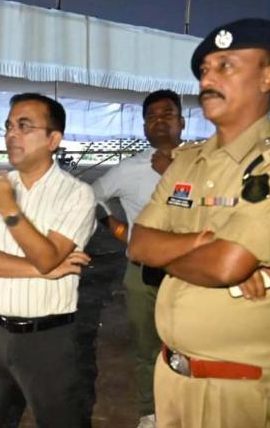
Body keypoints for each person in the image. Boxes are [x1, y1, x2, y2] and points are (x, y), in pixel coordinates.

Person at [128, 18, 270, 427]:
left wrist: (177, 254)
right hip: (172, 376)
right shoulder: (187, 160)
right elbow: (139, 243)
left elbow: (225, 265)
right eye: (204, 70)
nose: (208, 79)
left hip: (237, 390)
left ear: (269, 76)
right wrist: (203, 246)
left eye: (226, 66)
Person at [0, 93, 97, 428]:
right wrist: (40, 273)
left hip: (46, 338)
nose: (11, 134)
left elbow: (47, 256)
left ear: (53, 139)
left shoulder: (77, 194)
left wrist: (8, 208)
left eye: (24, 126)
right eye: (8, 126)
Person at [91, 89, 185, 428]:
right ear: (144, 126)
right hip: (142, 274)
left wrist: (172, 172)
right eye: (152, 116)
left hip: (192, 273)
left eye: (167, 114)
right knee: (148, 349)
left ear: (182, 122)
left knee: (191, 347)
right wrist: (116, 228)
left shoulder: (202, 164)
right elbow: (90, 196)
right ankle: (150, 410)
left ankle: (186, 410)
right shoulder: (129, 169)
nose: (159, 121)